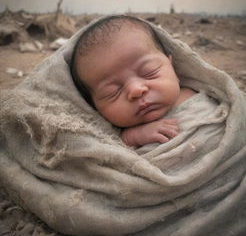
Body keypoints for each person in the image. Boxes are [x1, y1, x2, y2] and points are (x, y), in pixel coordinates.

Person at [70, 15, 196, 147]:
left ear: (172, 67)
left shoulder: (200, 92)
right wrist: (134, 137)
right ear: (94, 107)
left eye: (149, 72)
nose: (136, 90)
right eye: (112, 92)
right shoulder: (119, 136)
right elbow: (113, 148)